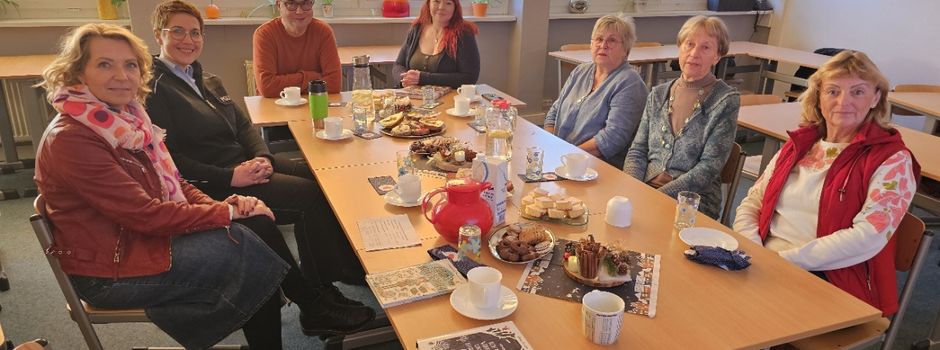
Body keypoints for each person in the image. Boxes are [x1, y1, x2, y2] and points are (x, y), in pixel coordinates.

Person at [33, 23, 289, 349]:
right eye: (104, 64)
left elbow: (176, 184)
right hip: (109, 271)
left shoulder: (126, 119)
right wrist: (225, 213)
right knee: (248, 252)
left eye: (130, 65)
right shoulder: (73, 139)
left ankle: (296, 307)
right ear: (78, 73)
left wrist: (225, 208)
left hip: (134, 241)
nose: (122, 75)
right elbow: (146, 215)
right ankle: (299, 307)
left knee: (253, 229)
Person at [146, 1, 368, 312]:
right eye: (177, 32)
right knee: (309, 198)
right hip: (212, 182)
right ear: (158, 35)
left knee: (322, 175)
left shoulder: (207, 79)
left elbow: (244, 127)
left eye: (195, 33)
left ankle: (338, 266)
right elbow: (169, 160)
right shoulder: (154, 89)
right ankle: (319, 297)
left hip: (244, 166)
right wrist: (231, 176)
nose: (188, 40)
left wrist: (263, 156)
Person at [733, 51, 920, 316]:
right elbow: (753, 201)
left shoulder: (893, 160)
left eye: (857, 92)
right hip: (765, 262)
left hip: (833, 279)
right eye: (833, 91)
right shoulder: (801, 144)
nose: (843, 102)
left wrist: (782, 262)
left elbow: (867, 237)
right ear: (819, 97)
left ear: (876, 97)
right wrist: (751, 247)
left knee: (738, 319)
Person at [622, 15, 740, 219]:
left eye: (705, 48)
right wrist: (633, 189)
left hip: (693, 202)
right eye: (689, 44)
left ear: (717, 56)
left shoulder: (725, 100)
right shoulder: (658, 94)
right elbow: (638, 150)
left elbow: (708, 168)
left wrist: (656, 197)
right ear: (680, 48)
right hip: (646, 190)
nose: (694, 53)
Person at [543, 14, 648, 169]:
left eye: (611, 40)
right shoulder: (581, 71)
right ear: (591, 44)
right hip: (562, 159)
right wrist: (550, 144)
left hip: (597, 167)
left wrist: (568, 157)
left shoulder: (629, 83)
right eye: (598, 39)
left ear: (626, 50)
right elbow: (554, 112)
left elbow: (612, 138)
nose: (603, 45)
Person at [253, 0, 341, 96]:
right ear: (279, 5)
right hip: (273, 105)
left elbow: (334, 84)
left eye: (305, 3)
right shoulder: (265, 34)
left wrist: (284, 85)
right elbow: (267, 87)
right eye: (291, 4)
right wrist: (314, 78)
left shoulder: (323, 32)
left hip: (314, 104)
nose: (299, 12)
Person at [392, 0, 480, 88]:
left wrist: (422, 78)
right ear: (428, 4)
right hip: (412, 97)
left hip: (450, 99)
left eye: (448, 3)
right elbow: (399, 65)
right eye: (436, 1)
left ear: (455, 8)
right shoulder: (416, 29)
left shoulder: (464, 33)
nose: (441, 7)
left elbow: (469, 77)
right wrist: (404, 80)